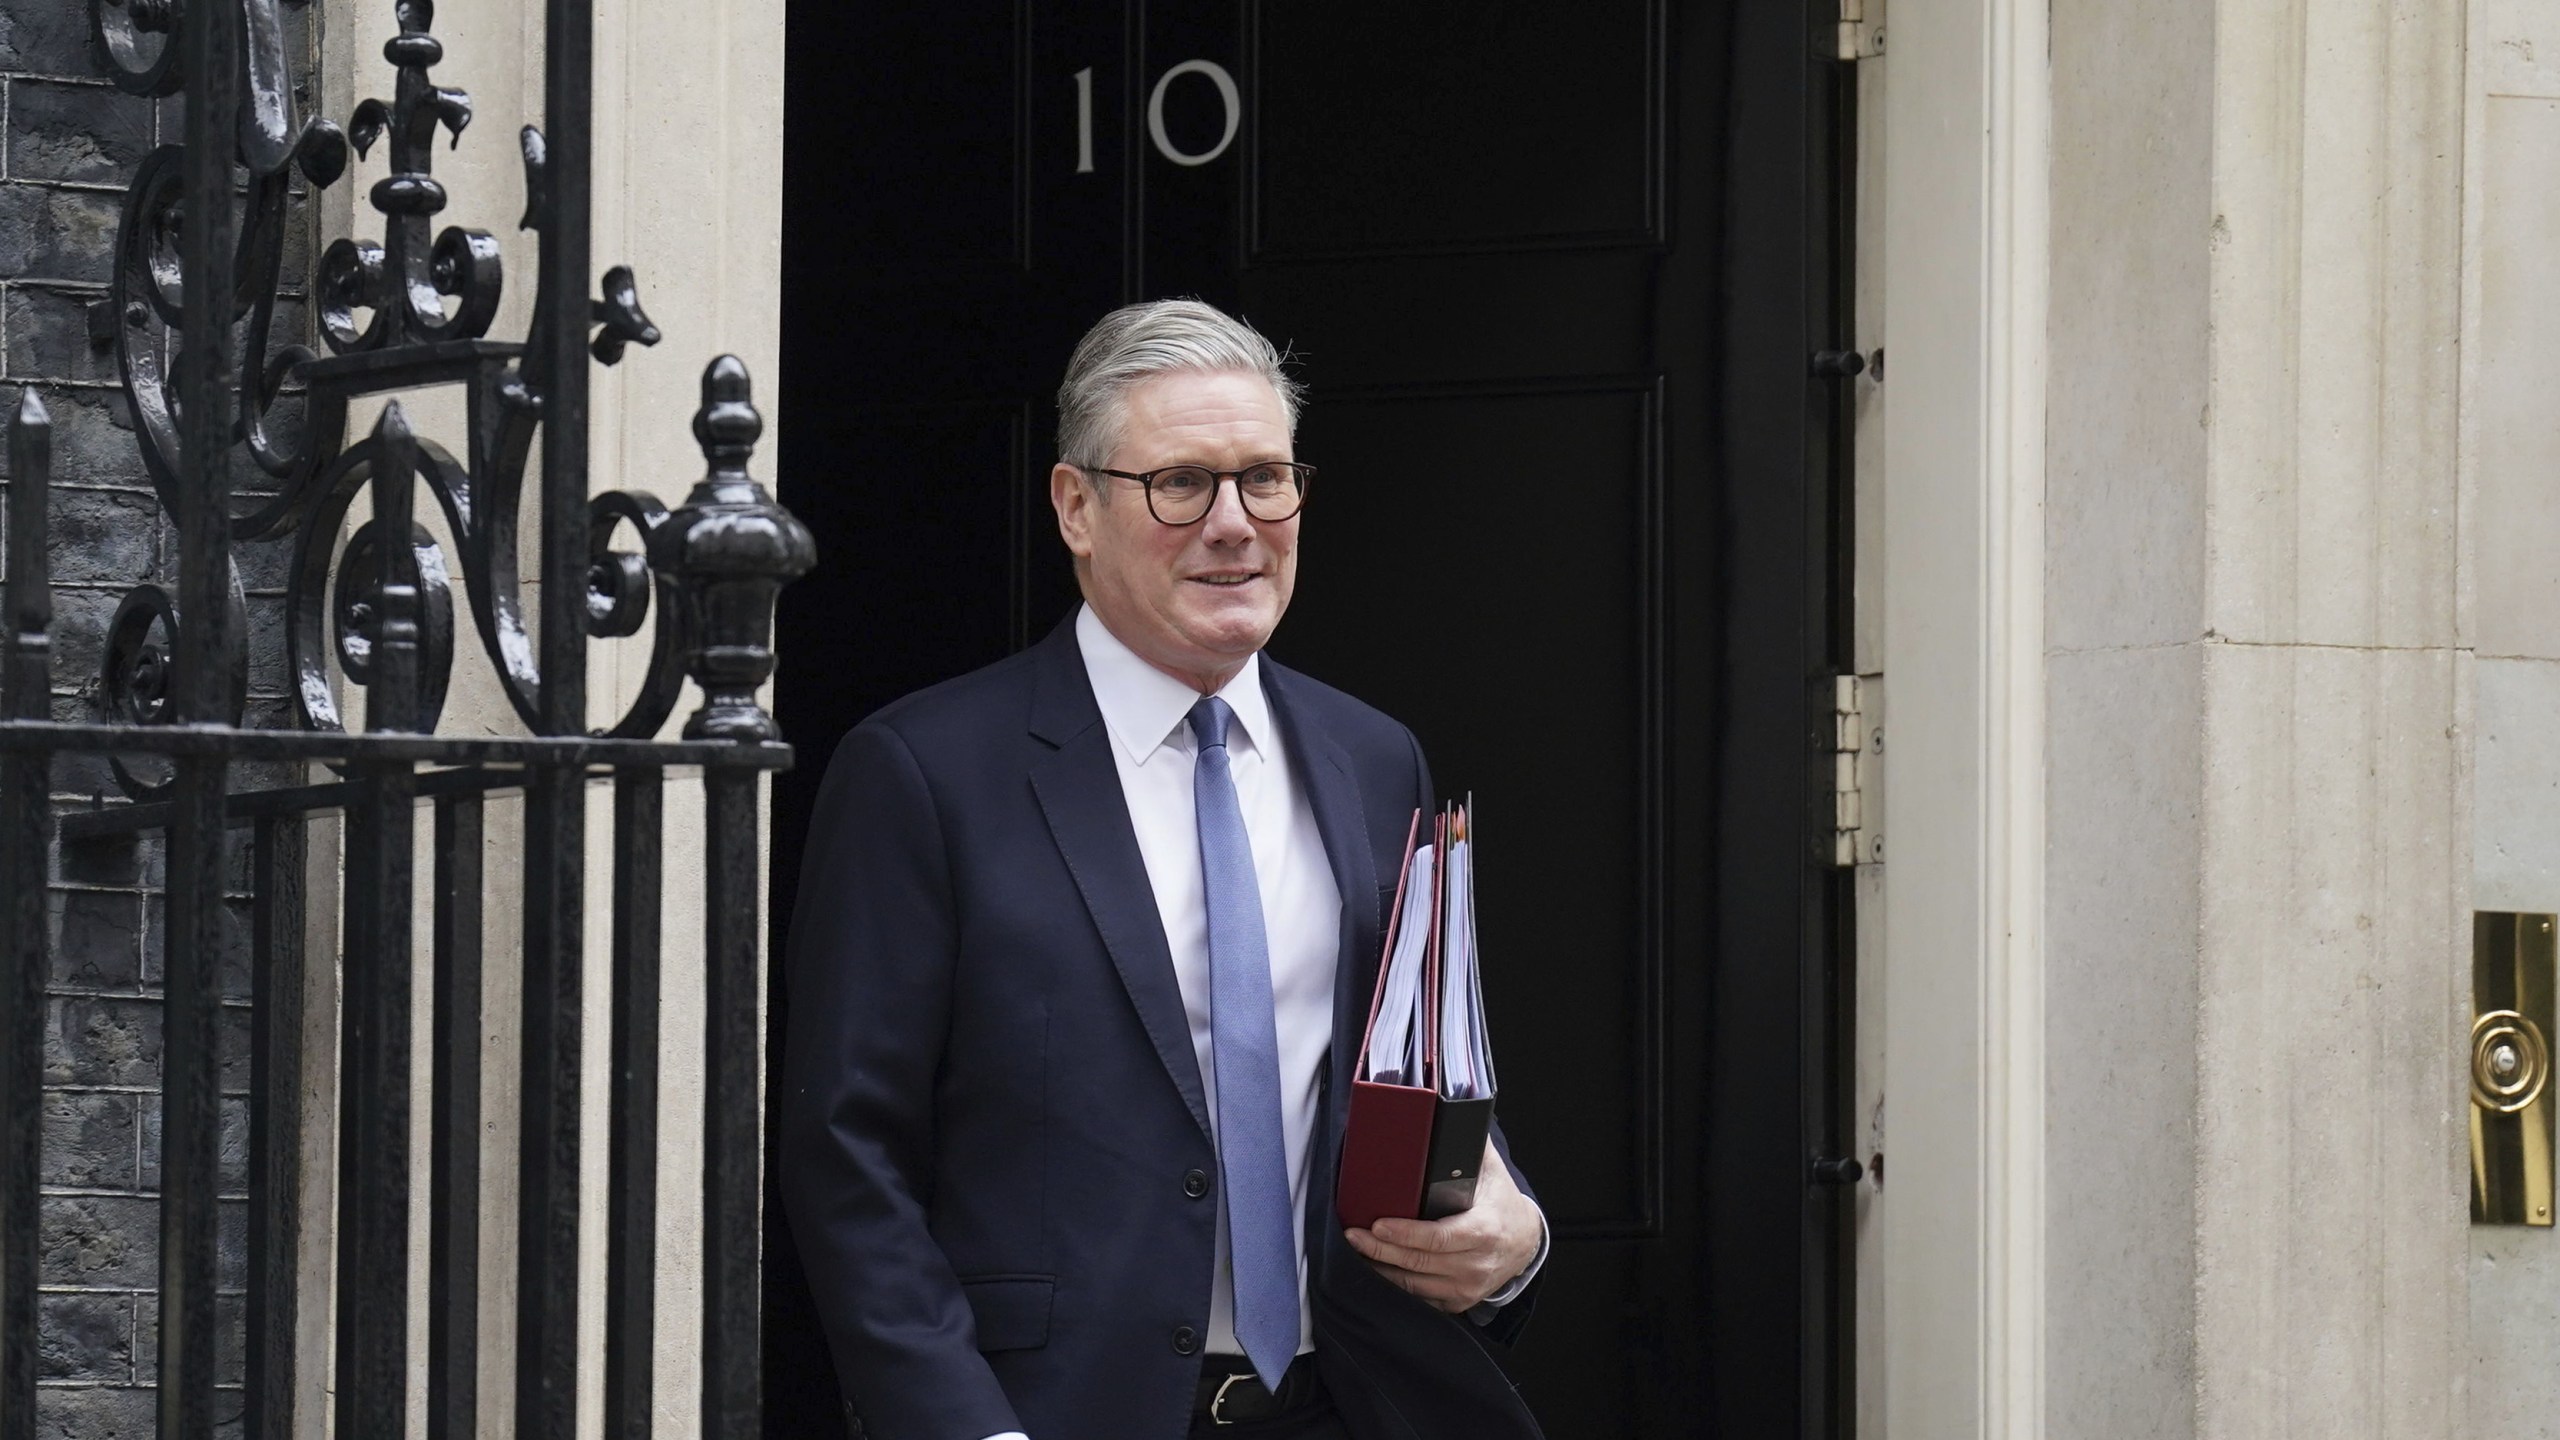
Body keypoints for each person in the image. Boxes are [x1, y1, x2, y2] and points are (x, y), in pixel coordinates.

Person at [780, 299, 1550, 1440]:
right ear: (1075, 507)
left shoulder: (1373, 759)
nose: (1234, 523)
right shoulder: (923, 772)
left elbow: (1418, 1067)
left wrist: (1512, 1235)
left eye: (1265, 479)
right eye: (1182, 483)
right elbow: (846, 1153)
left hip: (1350, 1404)